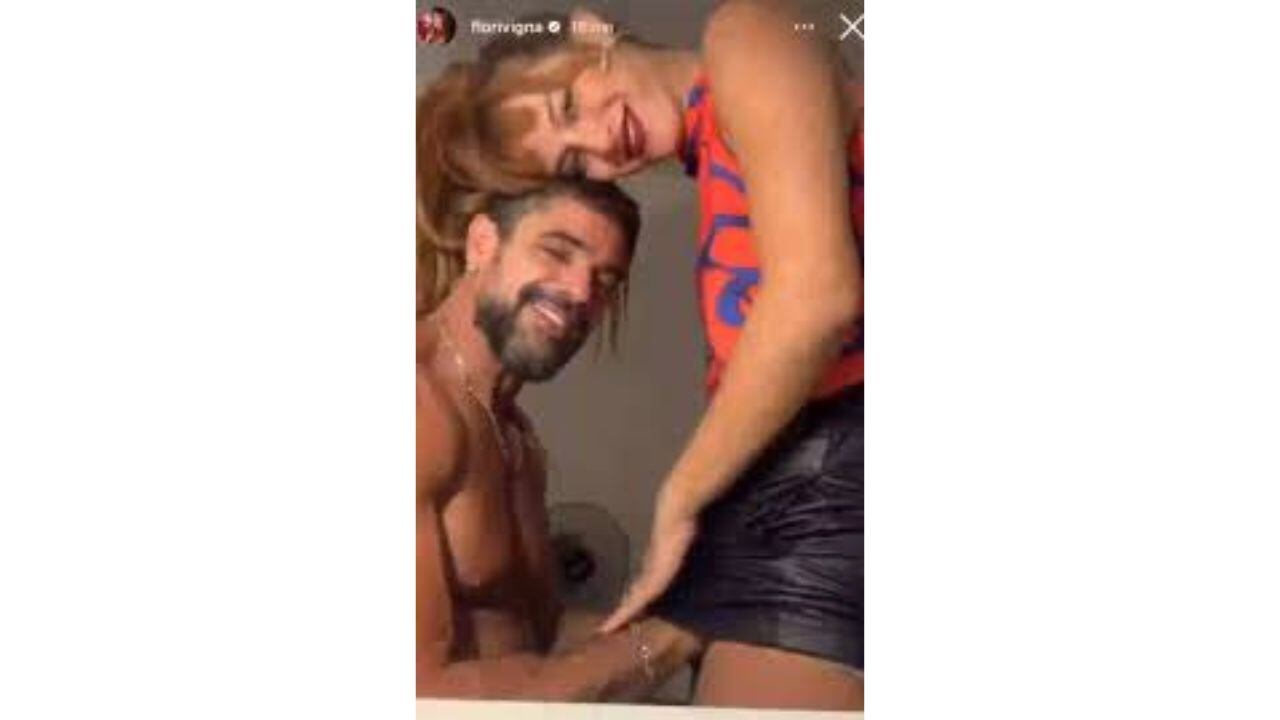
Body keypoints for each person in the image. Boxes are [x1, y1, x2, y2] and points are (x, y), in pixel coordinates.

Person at [417, 0, 863, 708]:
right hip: (799, 493)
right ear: (481, 243)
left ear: (592, 28)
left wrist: (684, 510)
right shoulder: (431, 411)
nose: (602, 143)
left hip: (825, 480)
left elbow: (817, 298)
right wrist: (685, 616)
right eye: (575, 161)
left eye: (569, 105)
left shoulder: (742, 34)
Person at [417, 178, 703, 701]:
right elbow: (420, 693)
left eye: (605, 279)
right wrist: (670, 638)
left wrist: (706, 607)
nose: (580, 292)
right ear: (482, 243)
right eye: (556, 252)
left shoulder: (515, 434)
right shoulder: (418, 407)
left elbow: (535, 635)